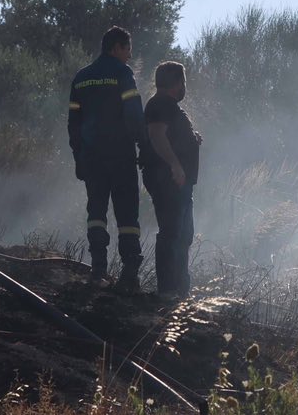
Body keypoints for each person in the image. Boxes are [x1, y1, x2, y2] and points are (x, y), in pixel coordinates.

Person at [68, 26, 146, 289]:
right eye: (127, 49)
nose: (129, 55)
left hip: (92, 158)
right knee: (127, 214)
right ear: (116, 47)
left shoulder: (81, 77)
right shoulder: (123, 73)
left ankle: (98, 269)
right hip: (121, 156)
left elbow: (73, 123)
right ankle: (130, 271)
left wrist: (79, 156)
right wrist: (144, 146)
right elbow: (134, 115)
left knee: (96, 211)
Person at [141, 60, 201, 300]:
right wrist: (175, 165)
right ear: (176, 83)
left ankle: (180, 290)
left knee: (183, 234)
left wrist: (191, 138)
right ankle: (167, 291)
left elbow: (170, 135)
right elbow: (157, 135)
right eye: (183, 81)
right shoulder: (161, 104)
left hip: (179, 182)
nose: (185, 86)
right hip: (168, 180)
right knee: (172, 233)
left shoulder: (169, 107)